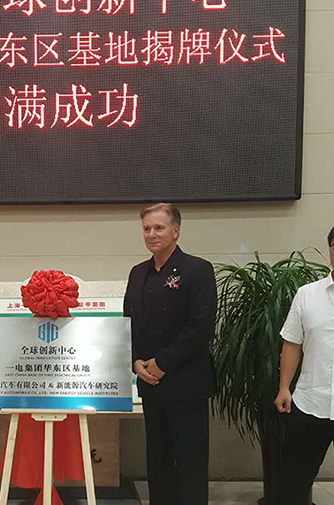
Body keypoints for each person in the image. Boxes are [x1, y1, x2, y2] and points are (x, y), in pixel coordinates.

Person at [123, 204, 217, 505]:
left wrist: (162, 363)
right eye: (146, 228)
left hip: (185, 383)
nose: (151, 234)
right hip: (150, 385)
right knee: (158, 462)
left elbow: (200, 327)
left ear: (175, 231)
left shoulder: (197, 270)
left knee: (190, 464)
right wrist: (136, 361)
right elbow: (129, 323)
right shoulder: (138, 273)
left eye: (159, 228)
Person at [275, 219, 334, 505]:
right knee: (292, 486)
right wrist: (284, 387)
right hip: (310, 403)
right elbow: (292, 343)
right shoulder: (307, 294)